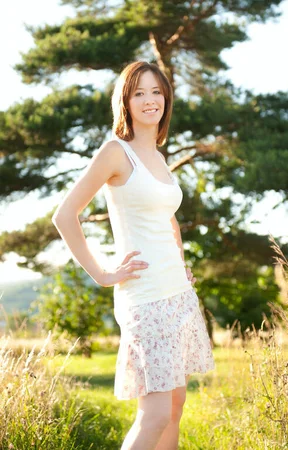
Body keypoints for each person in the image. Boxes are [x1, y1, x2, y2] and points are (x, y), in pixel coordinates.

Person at [52, 61, 215, 450]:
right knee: (155, 415)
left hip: (177, 291)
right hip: (144, 297)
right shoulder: (115, 152)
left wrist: (180, 258)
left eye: (156, 91)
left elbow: (168, 219)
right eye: (138, 92)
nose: (149, 100)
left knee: (176, 406)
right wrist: (102, 273)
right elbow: (64, 215)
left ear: (166, 99)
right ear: (124, 101)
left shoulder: (158, 157)